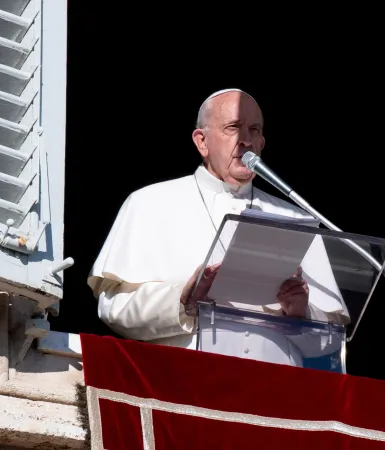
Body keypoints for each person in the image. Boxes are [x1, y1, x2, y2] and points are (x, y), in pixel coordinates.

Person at [88, 88, 349, 367]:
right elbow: (113, 308)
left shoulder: (295, 218)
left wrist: (300, 312)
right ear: (202, 141)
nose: (245, 140)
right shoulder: (149, 202)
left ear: (262, 143)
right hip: (186, 385)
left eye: (254, 130)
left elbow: (332, 339)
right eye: (233, 128)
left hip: (277, 392)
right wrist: (183, 301)